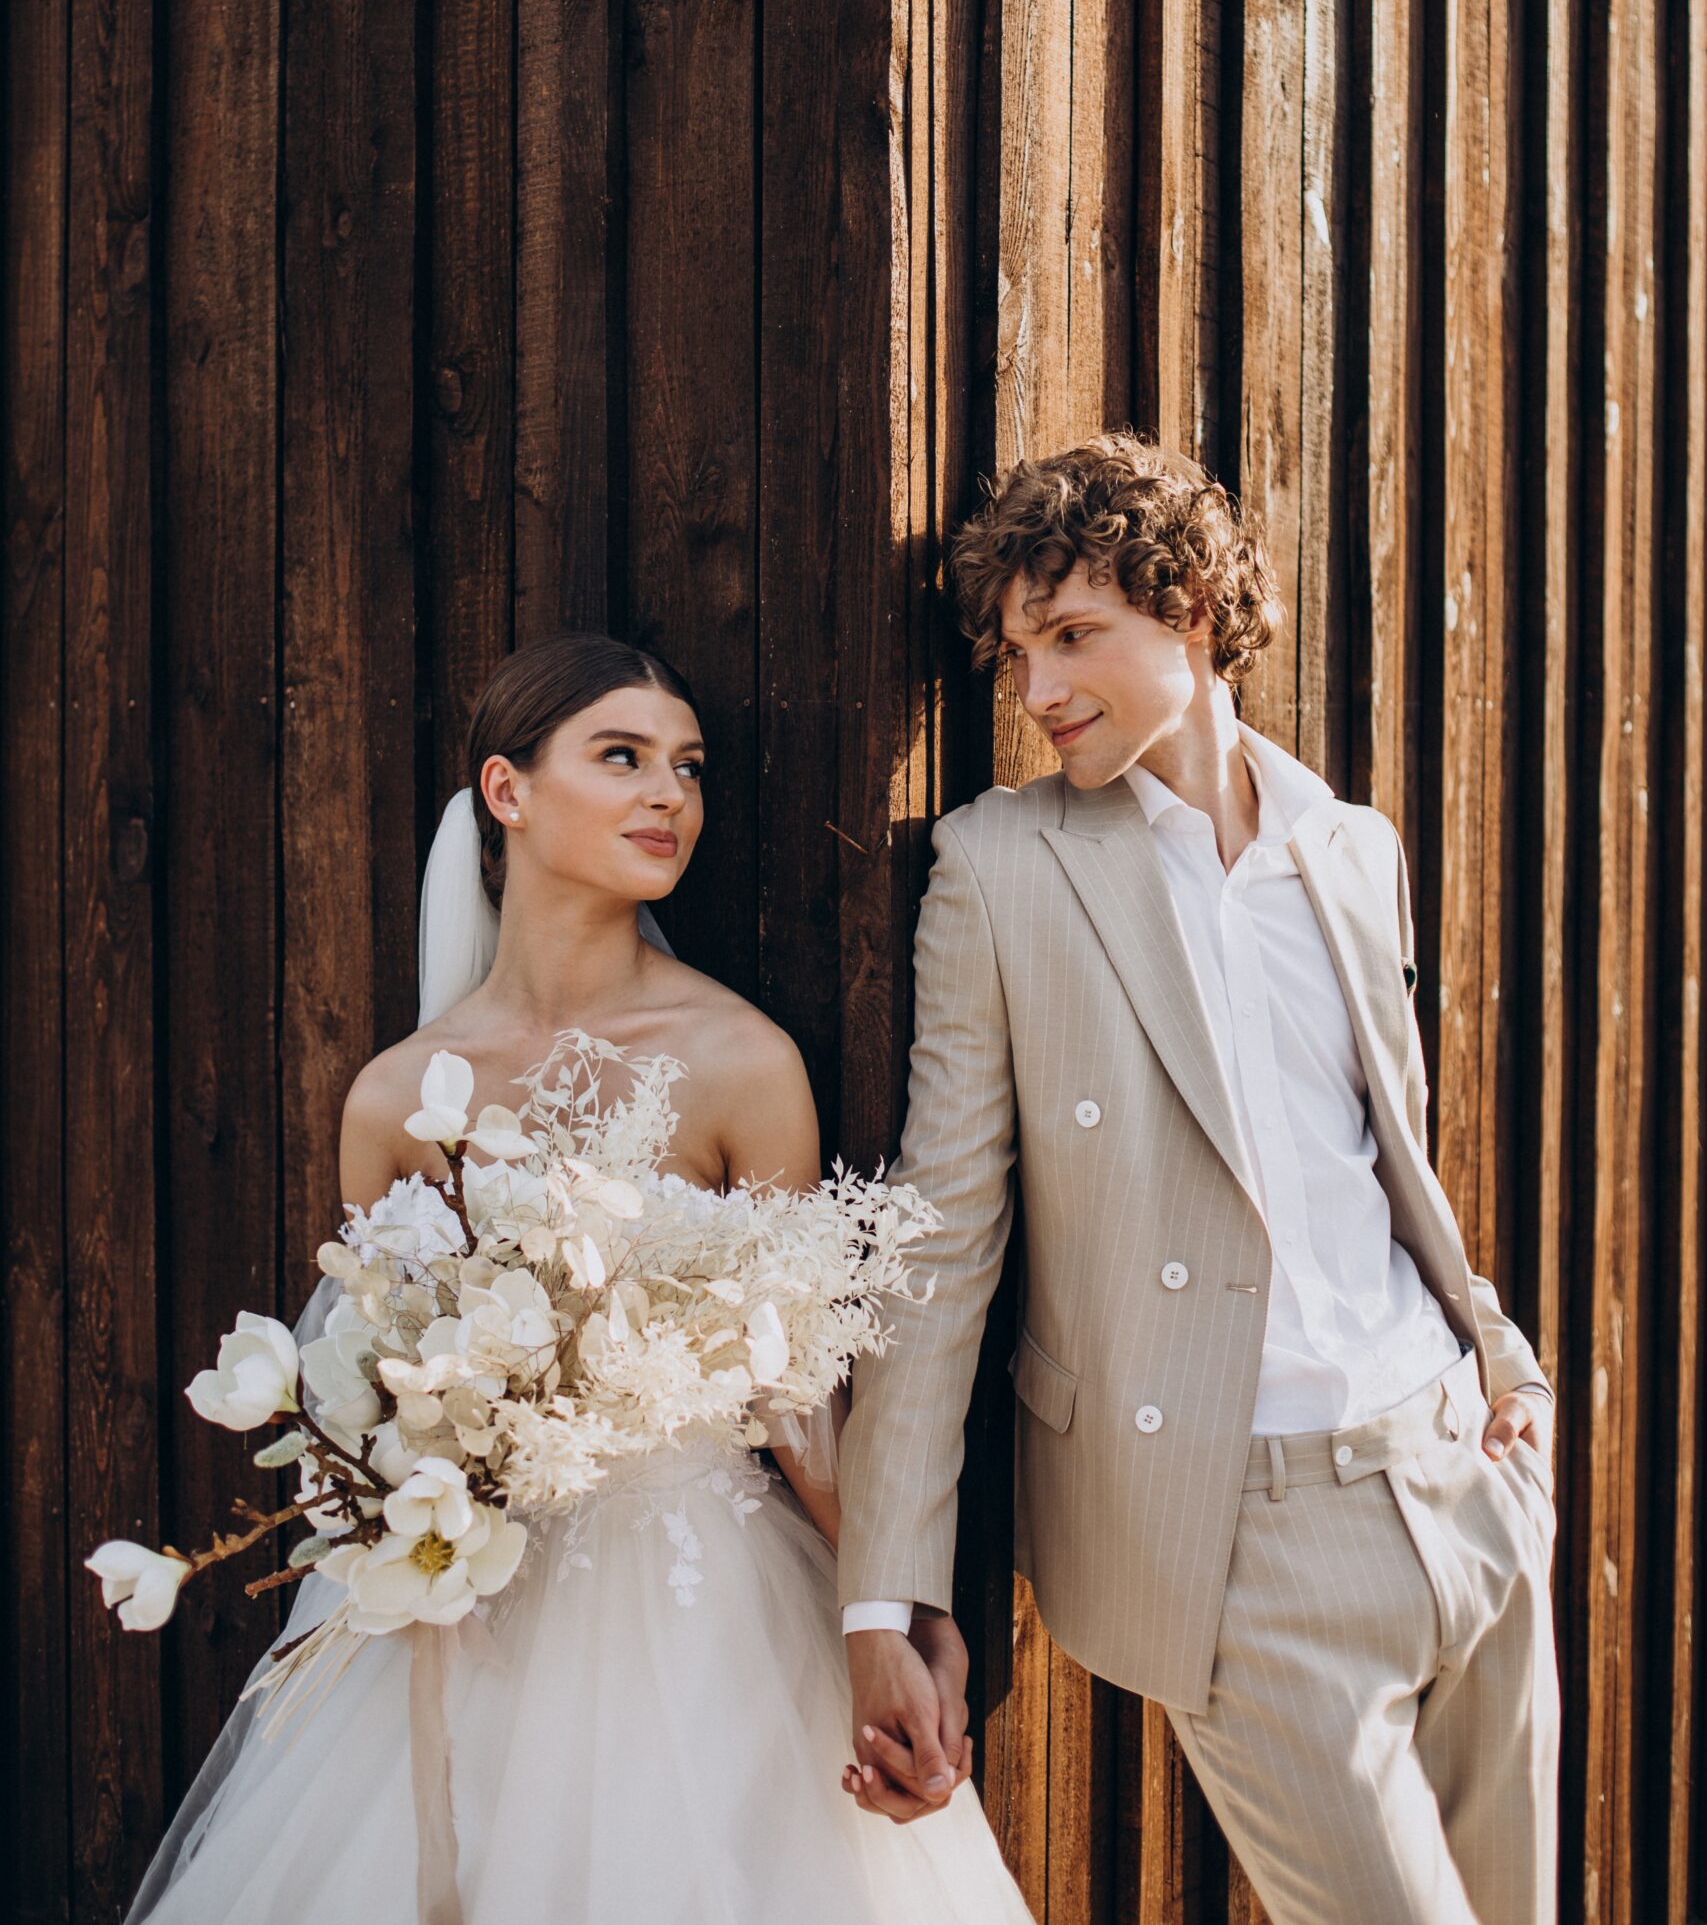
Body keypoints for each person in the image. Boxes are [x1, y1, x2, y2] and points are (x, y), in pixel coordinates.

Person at [127, 632, 1033, 1925]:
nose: (671, 795)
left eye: (689, 767)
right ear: (507, 791)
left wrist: (886, 1617)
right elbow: (372, 1403)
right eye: (622, 758)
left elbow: (801, 1408)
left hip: (701, 1607)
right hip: (463, 1611)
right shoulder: (394, 1098)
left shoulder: (740, 1061)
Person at [836, 435, 1560, 1925]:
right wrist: (884, 1594)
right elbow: (939, 1242)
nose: (1037, 691)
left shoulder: (1349, 849)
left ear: (1195, 608)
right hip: (1240, 1535)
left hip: (1460, 1473)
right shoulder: (1002, 870)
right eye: (1017, 653)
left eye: (1072, 634)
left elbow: (1381, 1163)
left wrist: (1499, 1353)